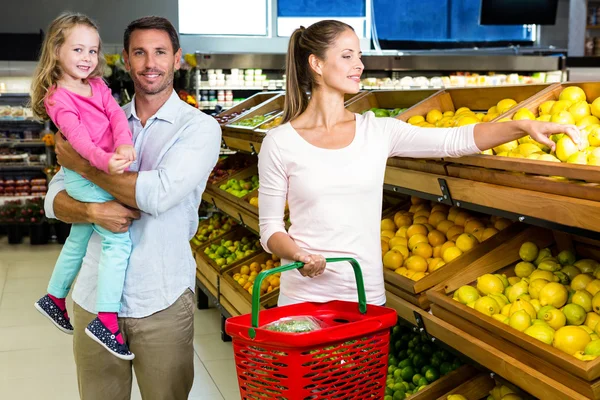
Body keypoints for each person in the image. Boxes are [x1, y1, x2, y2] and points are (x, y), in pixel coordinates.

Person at [258, 20, 581, 307]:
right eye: (347, 56)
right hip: (302, 297)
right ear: (316, 63)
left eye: (359, 55)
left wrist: (521, 126)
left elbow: (454, 140)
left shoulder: (377, 131)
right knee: (308, 378)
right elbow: (270, 228)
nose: (359, 64)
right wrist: (297, 254)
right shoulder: (280, 142)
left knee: (359, 379)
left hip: (363, 296)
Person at [44, 15, 221, 399]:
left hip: (160, 299)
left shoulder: (199, 128)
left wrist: (82, 165)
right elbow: (54, 198)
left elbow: (155, 195)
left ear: (177, 59)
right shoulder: (98, 114)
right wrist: (92, 211)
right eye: (139, 53)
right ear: (125, 60)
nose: (149, 63)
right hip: (93, 297)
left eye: (160, 52)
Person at [32, 12, 137, 361]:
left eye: (92, 51)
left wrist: (123, 145)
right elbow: (78, 142)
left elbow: (117, 117)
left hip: (101, 165)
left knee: (79, 236)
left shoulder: (97, 86)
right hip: (83, 172)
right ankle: (106, 321)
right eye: (78, 49)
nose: (86, 58)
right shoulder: (58, 97)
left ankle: (54, 296)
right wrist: (104, 163)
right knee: (117, 240)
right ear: (57, 50)